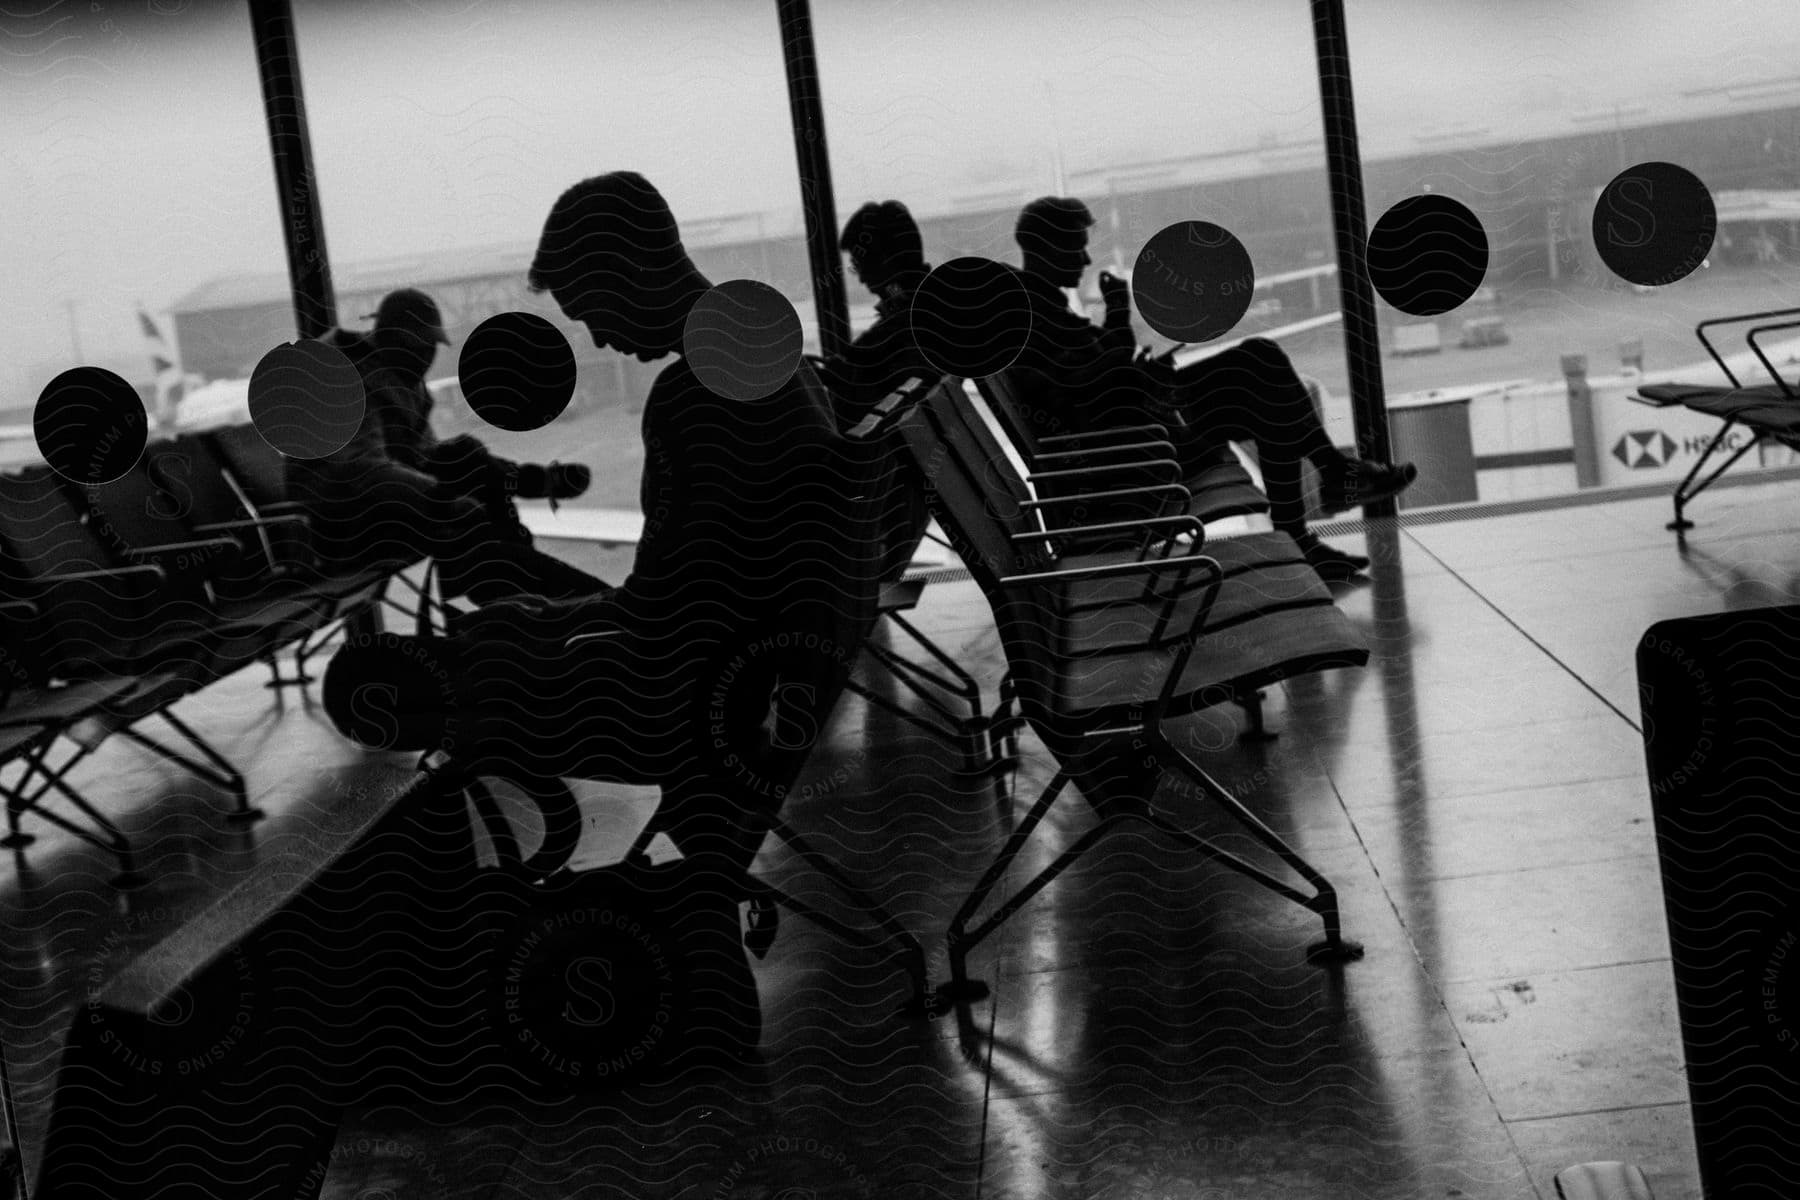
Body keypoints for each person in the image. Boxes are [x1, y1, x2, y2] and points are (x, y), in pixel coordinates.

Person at [323, 171, 862, 873]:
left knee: (424, 675)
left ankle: (473, 919)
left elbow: (660, 615)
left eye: (590, 310)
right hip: (758, 674)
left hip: (686, 703)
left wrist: (539, 620)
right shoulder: (766, 356)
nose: (601, 338)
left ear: (626, 270)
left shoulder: (695, 389)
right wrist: (549, 614)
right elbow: (685, 594)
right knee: (491, 633)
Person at [1009, 196, 1416, 581]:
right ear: (1046, 247)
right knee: (1261, 374)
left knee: (1261, 369)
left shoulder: (1037, 308)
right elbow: (1091, 382)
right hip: (1137, 456)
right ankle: (1318, 499)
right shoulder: (1035, 314)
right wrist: (1118, 310)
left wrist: (1137, 373)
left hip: (1137, 435)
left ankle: (1320, 495)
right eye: (1075, 248)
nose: (1084, 259)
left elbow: (1090, 379)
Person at [291, 293, 610, 607]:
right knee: (468, 505)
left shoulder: (392, 370)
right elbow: (359, 472)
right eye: (422, 346)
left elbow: (421, 458)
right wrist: (441, 500)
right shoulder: (344, 382)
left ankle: (514, 570)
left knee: (465, 458)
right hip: (340, 529)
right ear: (397, 342)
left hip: (374, 510)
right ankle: (517, 582)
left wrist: (447, 490)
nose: (428, 356)